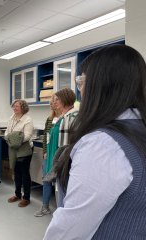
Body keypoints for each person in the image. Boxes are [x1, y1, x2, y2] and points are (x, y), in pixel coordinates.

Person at [44, 44, 146, 239]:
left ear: (102, 84)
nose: (80, 89)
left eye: (81, 81)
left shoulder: (103, 144)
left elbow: (71, 228)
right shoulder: (139, 128)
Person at [36, 88, 76, 216]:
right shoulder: (59, 119)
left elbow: (67, 146)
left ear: (65, 100)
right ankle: (50, 209)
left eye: (57, 99)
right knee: (55, 188)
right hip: (54, 157)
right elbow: (49, 137)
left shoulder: (70, 117)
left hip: (63, 163)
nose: (54, 102)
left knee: (63, 193)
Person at [33, 94, 60, 216]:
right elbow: (46, 138)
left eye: (54, 101)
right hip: (48, 155)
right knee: (46, 181)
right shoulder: (49, 119)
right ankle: (45, 207)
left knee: (61, 184)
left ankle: (62, 211)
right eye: (51, 101)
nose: (52, 103)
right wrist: (45, 152)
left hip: (60, 155)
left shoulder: (65, 118)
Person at [5, 99, 34, 207]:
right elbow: (6, 132)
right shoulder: (11, 118)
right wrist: (12, 137)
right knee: (16, 172)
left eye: (17, 106)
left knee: (24, 173)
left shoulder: (27, 120)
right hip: (13, 148)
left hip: (24, 149)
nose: (14, 108)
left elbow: (27, 136)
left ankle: (26, 198)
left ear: (23, 108)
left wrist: (12, 138)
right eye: (14, 106)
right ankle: (17, 194)